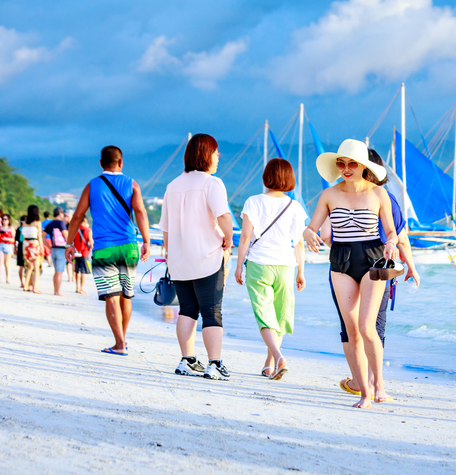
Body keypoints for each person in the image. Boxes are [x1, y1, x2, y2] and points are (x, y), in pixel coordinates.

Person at [303, 139, 400, 409]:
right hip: (341, 260)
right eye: (342, 163)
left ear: (363, 166)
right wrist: (308, 233)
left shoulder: (378, 194)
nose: (346, 168)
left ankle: (379, 385)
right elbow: (311, 227)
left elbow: (391, 231)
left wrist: (391, 243)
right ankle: (365, 393)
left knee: (368, 326)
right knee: (352, 329)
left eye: (352, 163)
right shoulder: (329, 194)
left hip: (373, 258)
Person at [328, 148, 419, 397]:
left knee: (351, 329)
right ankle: (370, 383)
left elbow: (327, 234)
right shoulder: (386, 196)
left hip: (343, 263)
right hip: (377, 265)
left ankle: (360, 383)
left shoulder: (339, 196)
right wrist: (411, 265)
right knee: (374, 326)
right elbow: (401, 236)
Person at [159, 134, 233, 379]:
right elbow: (222, 216)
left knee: (187, 310)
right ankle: (215, 363)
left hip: (180, 260)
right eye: (215, 152)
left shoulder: (172, 186)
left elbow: (166, 229)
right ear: (205, 154)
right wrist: (229, 239)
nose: (218, 156)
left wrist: (172, 255)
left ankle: (187, 360)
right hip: (207, 257)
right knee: (212, 311)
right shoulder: (212, 183)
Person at [65, 145, 151, 356]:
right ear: (121, 163)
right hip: (129, 245)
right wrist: (146, 241)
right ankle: (123, 339)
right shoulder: (132, 184)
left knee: (111, 295)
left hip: (104, 248)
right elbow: (139, 210)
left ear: (101, 163)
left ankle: (119, 343)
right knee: (126, 295)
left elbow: (77, 216)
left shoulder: (92, 185)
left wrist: (69, 243)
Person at [235, 158, 307, 380]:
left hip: (259, 265)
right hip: (285, 265)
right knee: (279, 315)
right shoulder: (295, 207)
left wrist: (238, 265)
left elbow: (246, 236)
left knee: (265, 315)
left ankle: (277, 356)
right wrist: (301, 271)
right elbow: (299, 242)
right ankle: (269, 363)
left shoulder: (253, 202)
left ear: (266, 176)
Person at [44, 207, 69, 296]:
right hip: (61, 249)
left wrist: (48, 246)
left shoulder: (50, 224)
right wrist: (70, 245)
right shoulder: (61, 223)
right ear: (60, 213)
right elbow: (65, 234)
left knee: (56, 271)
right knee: (59, 271)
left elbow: (43, 235)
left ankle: (56, 290)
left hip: (53, 249)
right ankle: (57, 291)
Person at [21, 205, 45, 293]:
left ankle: (26, 285)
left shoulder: (24, 223)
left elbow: (23, 236)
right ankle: (35, 287)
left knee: (29, 267)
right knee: (36, 267)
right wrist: (42, 248)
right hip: (34, 244)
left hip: (26, 245)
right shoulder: (37, 223)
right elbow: (39, 236)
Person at [73, 215, 93, 294]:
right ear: (85, 221)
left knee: (77, 271)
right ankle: (81, 288)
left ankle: (77, 287)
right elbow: (91, 244)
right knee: (83, 271)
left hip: (76, 253)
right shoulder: (88, 230)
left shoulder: (75, 230)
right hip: (84, 253)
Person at [0, 214, 15, 284]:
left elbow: (14, 239)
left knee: (7, 263)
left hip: (8, 245)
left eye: (5, 219)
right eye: (3, 219)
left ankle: (7, 279)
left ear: (9, 220)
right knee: (0, 263)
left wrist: (8, 239)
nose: (4, 221)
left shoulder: (11, 228)